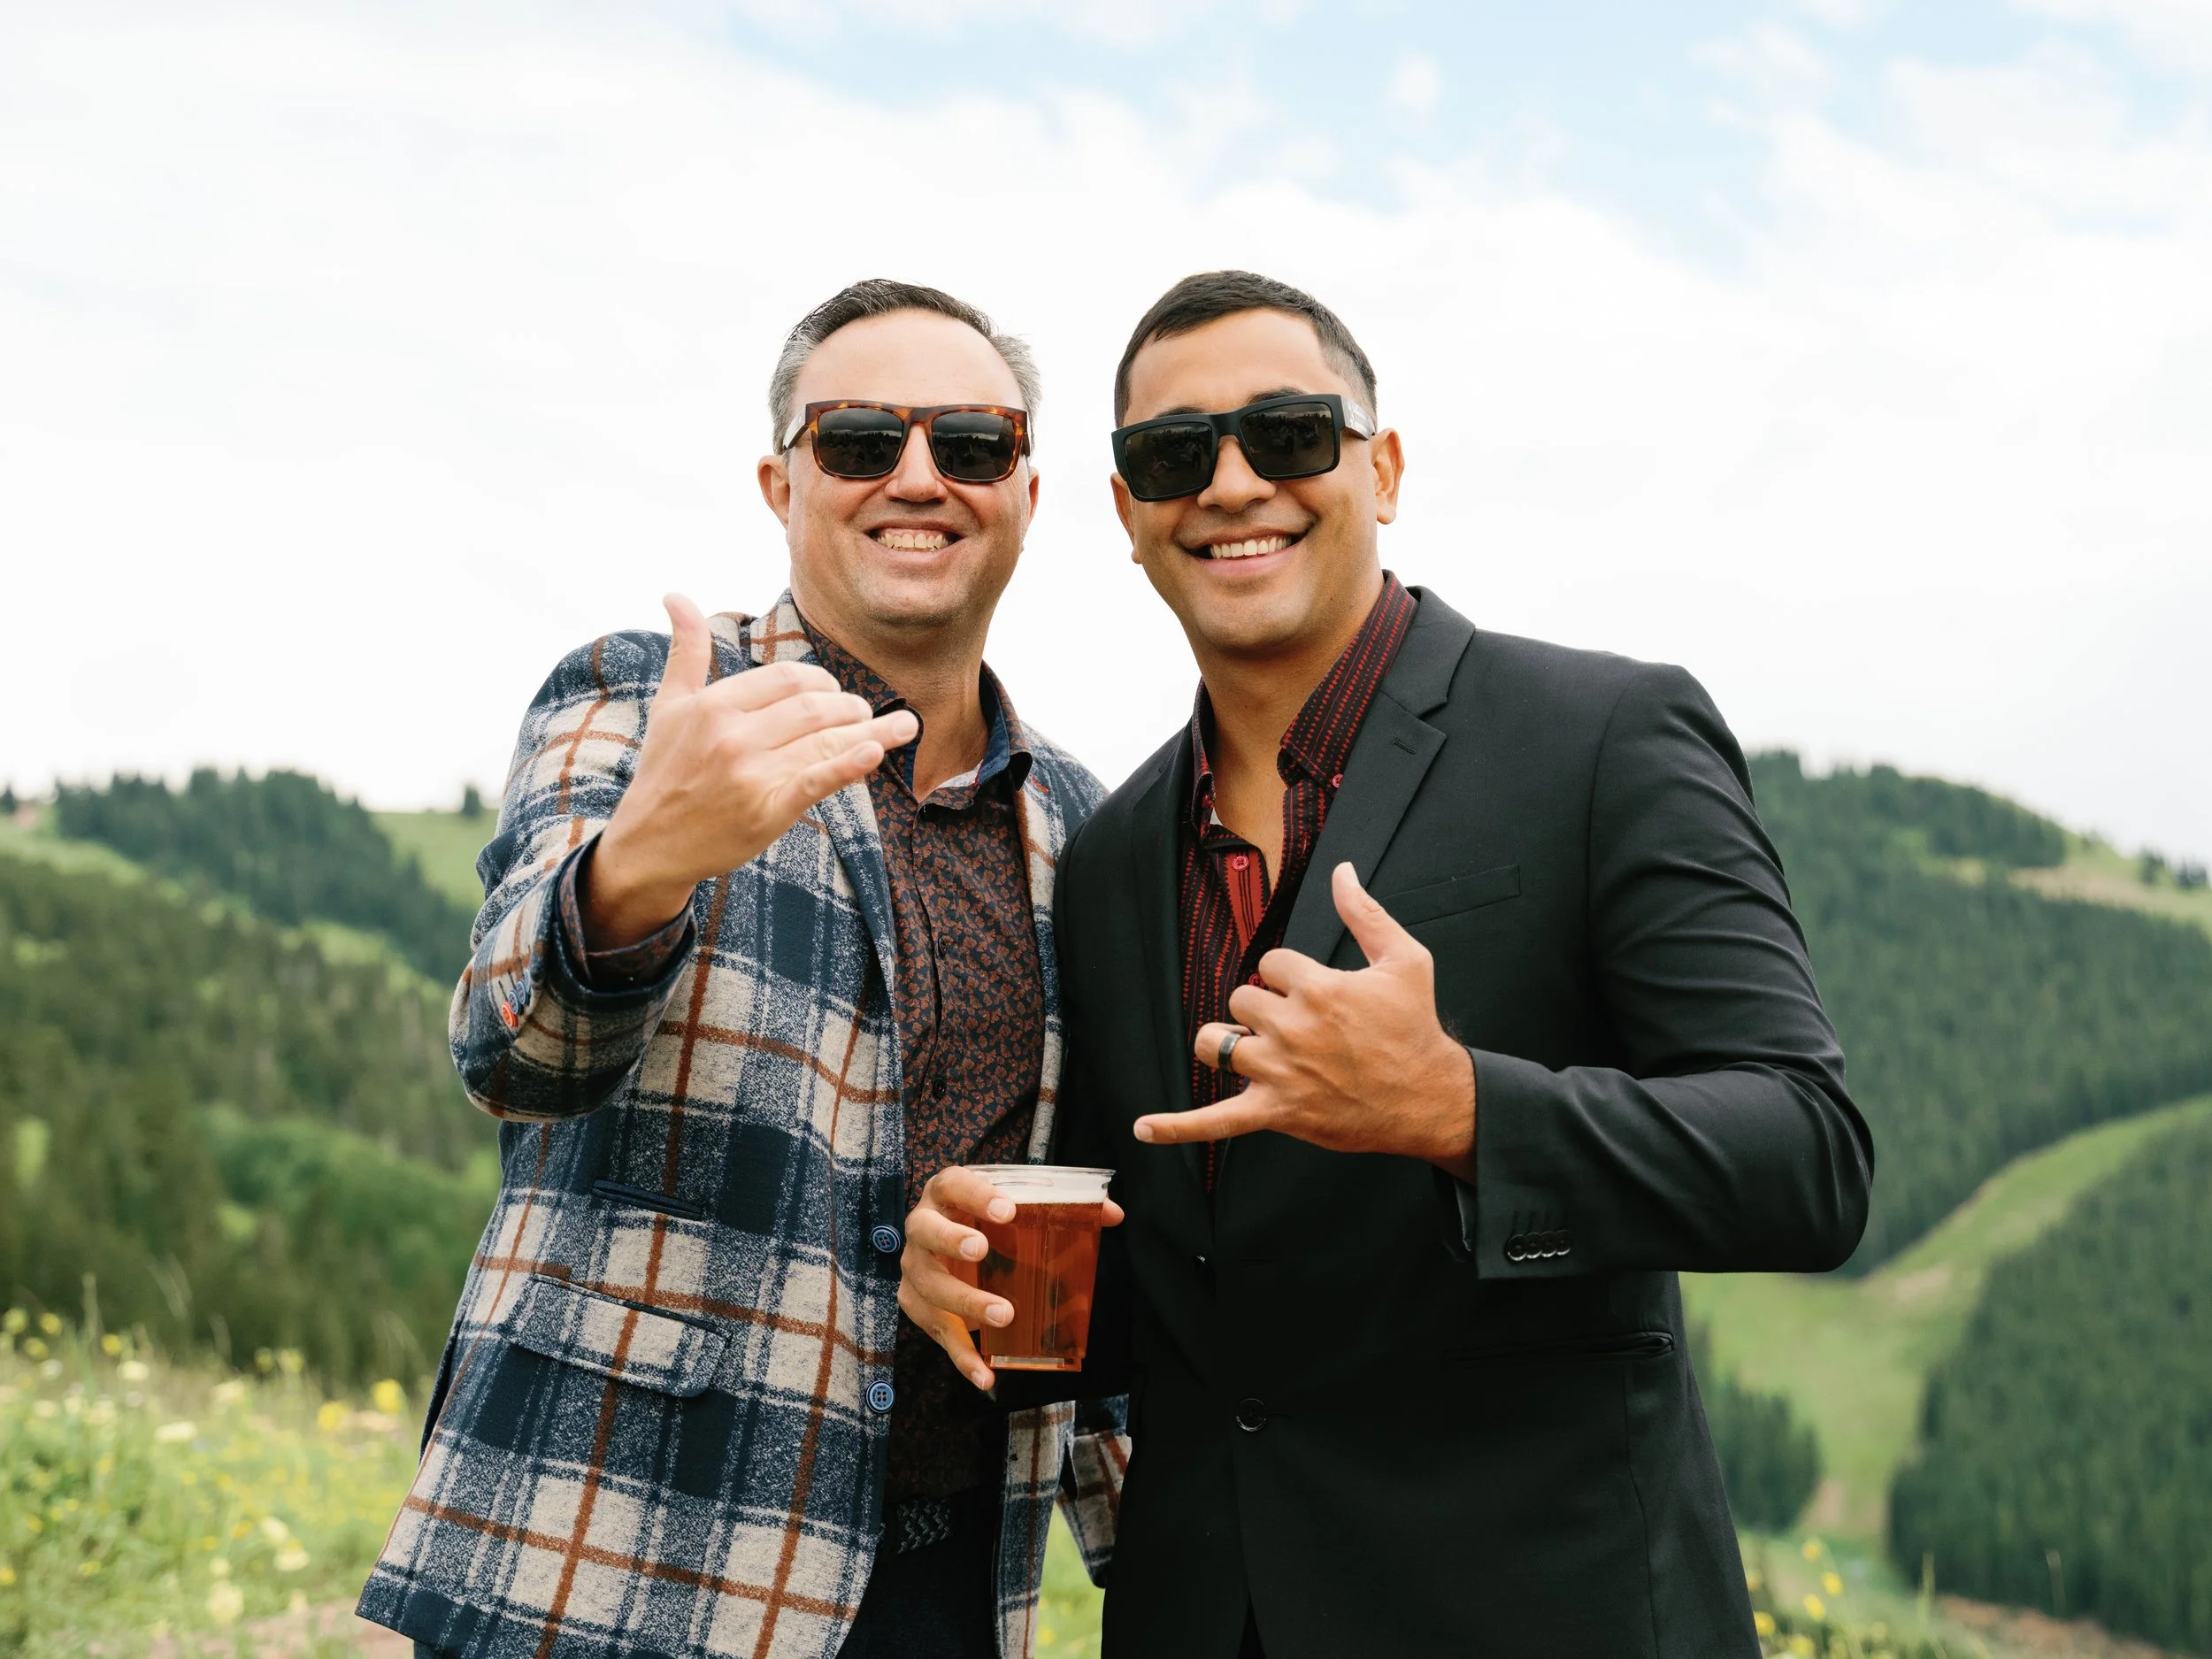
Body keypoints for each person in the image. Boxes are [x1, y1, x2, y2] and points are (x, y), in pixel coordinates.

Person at [900, 271, 1873, 1658]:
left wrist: (1462, 1109)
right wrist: (979, 1287)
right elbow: (1187, 1295)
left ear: (1386, 467)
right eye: (1176, 456)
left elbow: (1810, 1156)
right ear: (1127, 515)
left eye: (1290, 434)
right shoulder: (1112, 853)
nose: (1233, 484)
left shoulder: (1602, 736)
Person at [357, 279, 1125, 1659]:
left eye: (968, 442)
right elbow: (511, 1052)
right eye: (858, 440)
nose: (917, 476)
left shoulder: (1079, 816)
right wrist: (639, 864)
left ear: (1022, 488)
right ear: (781, 480)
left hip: (950, 1580)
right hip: (611, 1551)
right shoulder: (647, 699)